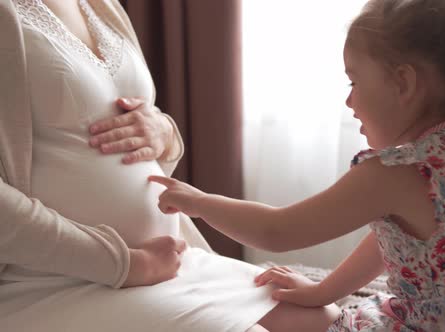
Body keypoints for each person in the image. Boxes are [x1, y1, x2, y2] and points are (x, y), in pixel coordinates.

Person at [149, 0, 445, 330]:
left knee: (257, 315)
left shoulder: (397, 171)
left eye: (354, 81)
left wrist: (199, 202)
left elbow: (276, 230)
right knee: (305, 309)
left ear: (403, 83)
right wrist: (322, 292)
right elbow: (403, 242)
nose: (349, 102)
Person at [0, 0, 338, 331]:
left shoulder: (102, 5)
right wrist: (126, 265)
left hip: (163, 262)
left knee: (323, 318)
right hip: (52, 279)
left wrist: (165, 133)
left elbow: (118, 126)